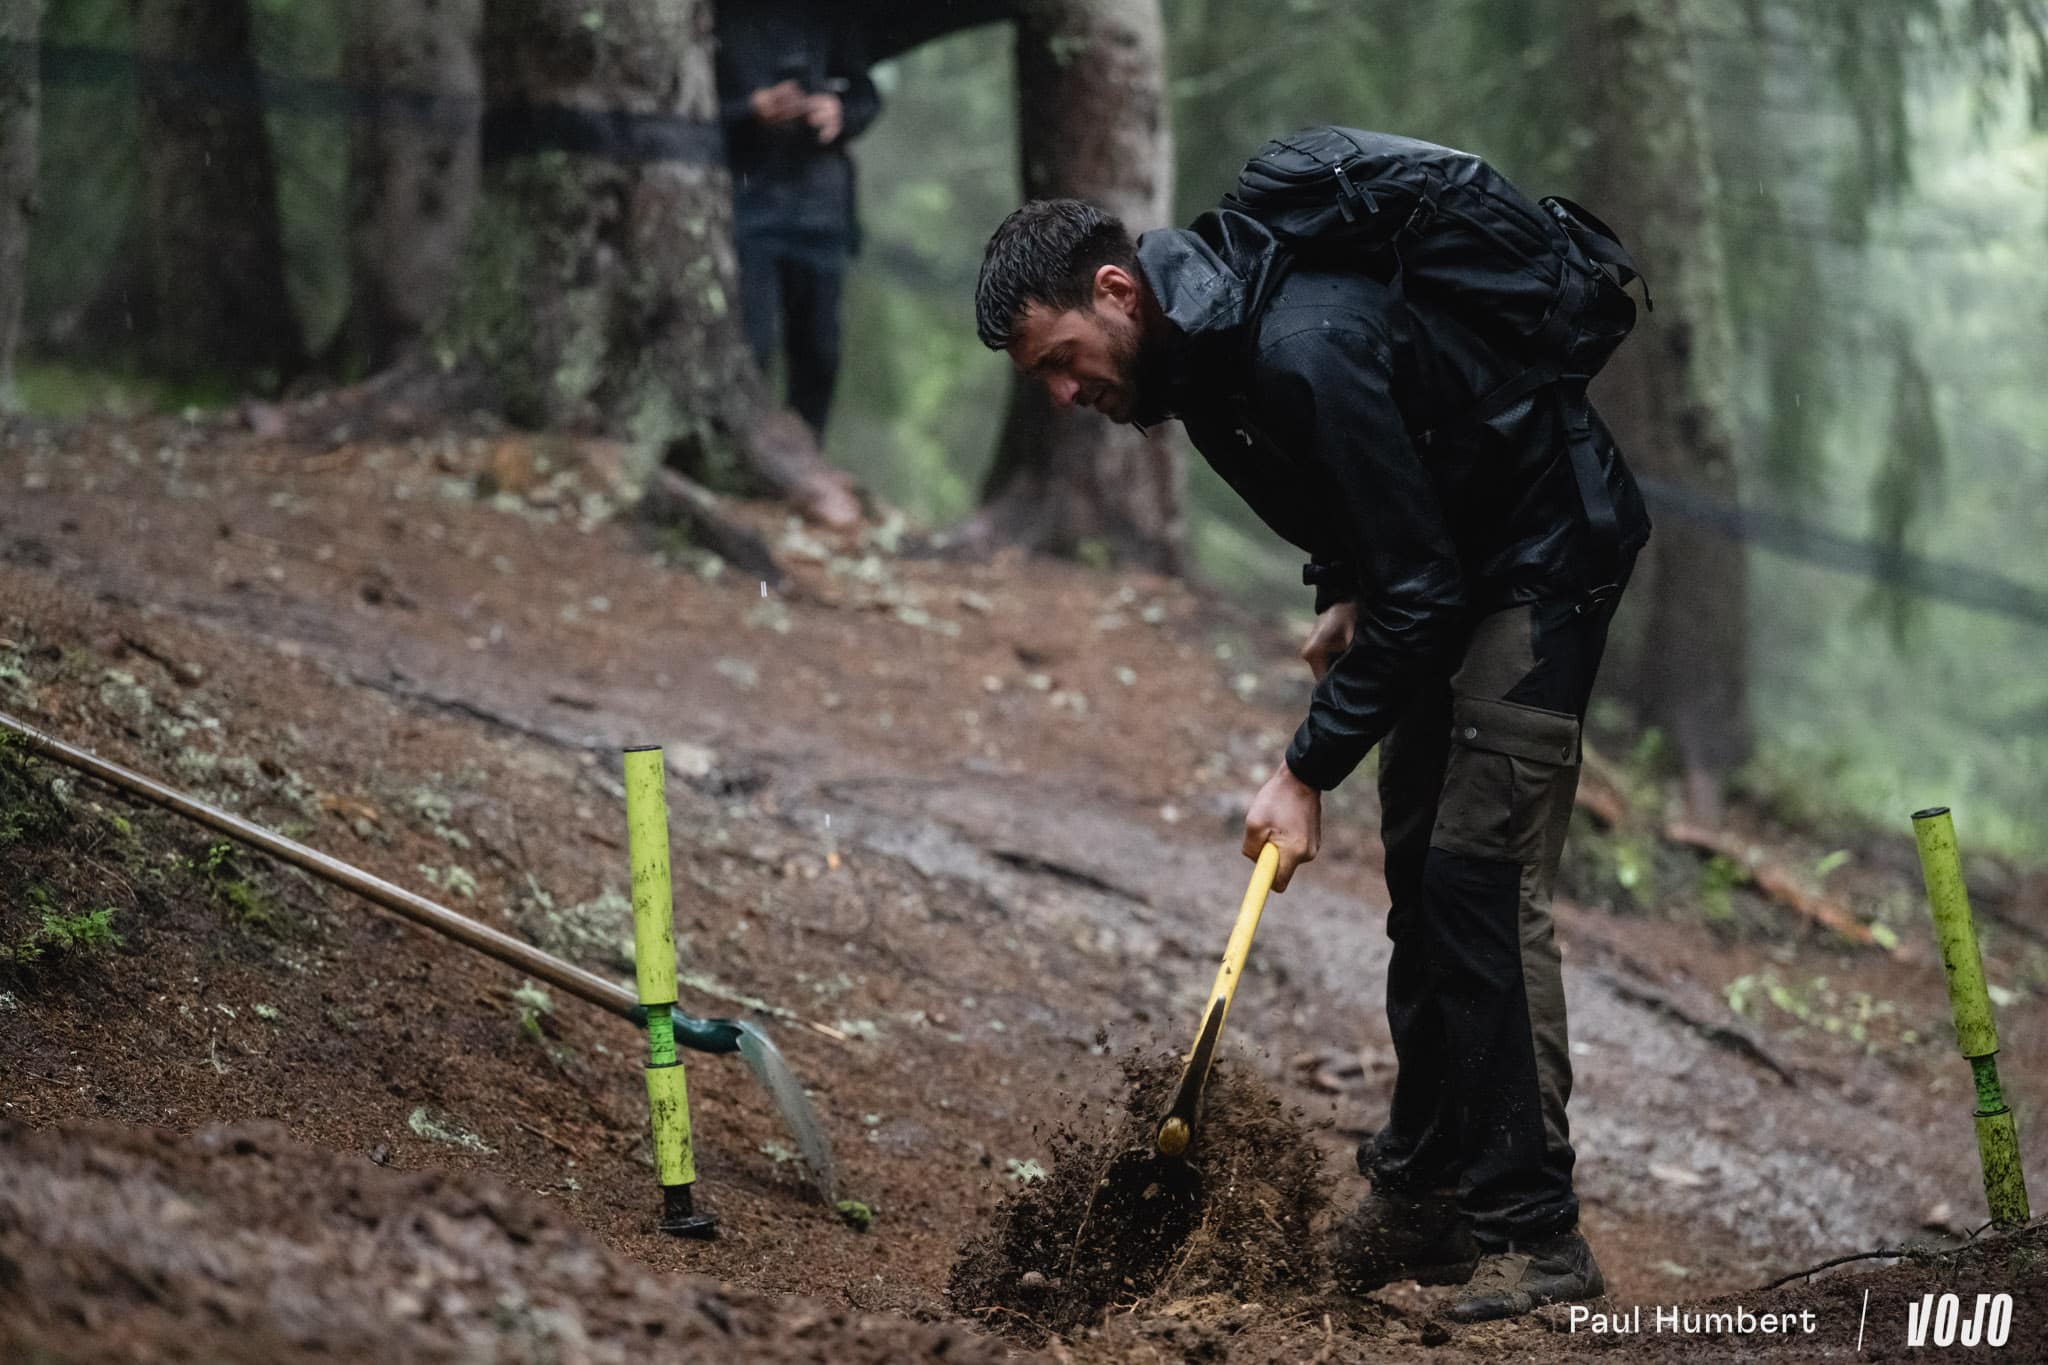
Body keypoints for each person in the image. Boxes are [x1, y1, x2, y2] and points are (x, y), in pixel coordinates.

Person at [972, 166, 1650, 1323]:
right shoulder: (1201, 365)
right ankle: (1425, 1198)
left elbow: (1419, 589)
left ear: (1115, 292)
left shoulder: (1292, 345)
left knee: (1475, 884)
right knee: (1423, 880)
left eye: (1058, 360)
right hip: (1446, 567)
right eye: (1042, 377)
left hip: (1537, 557)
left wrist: (1301, 770)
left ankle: (1533, 1234)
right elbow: (1353, 481)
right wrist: (1344, 582)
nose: (1062, 394)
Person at [714, 1, 881, 437]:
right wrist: (751, 109)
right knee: (752, 346)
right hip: (746, 208)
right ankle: (743, 446)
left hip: (821, 213)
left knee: (819, 352)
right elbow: (687, 111)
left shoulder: (830, 15)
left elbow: (866, 96)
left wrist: (837, 111)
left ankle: (806, 452)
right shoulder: (719, 17)